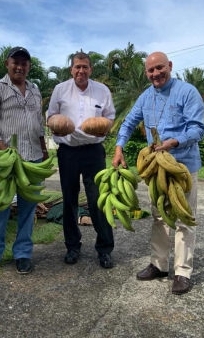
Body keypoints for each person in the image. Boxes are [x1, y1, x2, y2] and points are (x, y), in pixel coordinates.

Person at [112, 51, 204, 295]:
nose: (156, 74)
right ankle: (159, 264)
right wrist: (119, 147)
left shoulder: (187, 92)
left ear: (170, 66)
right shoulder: (145, 97)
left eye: (160, 68)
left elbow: (197, 129)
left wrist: (173, 141)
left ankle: (182, 272)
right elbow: (129, 122)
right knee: (160, 216)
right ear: (146, 73)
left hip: (182, 166)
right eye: (151, 70)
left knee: (184, 217)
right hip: (157, 168)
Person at [0, 46, 48, 275]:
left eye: (24, 63)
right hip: (4, 160)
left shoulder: (34, 90)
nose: (20, 66)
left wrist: (43, 150)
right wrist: (4, 150)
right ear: (7, 63)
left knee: (27, 209)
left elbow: (39, 124)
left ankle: (23, 253)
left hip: (32, 158)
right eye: (16, 62)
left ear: (29, 67)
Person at [47, 52, 115, 268]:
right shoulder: (60, 89)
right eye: (77, 67)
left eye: (85, 67)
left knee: (98, 200)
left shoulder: (102, 91)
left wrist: (103, 125)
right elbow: (50, 117)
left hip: (93, 151)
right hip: (67, 151)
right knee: (69, 200)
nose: (81, 71)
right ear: (71, 69)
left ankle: (104, 249)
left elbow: (110, 117)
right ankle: (72, 246)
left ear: (91, 69)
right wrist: (56, 123)